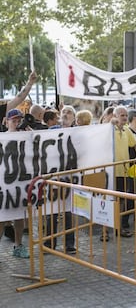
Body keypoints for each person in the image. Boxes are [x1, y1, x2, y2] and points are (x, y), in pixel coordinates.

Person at [0, 109, 34, 258]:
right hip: (5, 183)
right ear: (6, 121)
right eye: (13, 120)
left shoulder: (26, 136)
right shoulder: (2, 137)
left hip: (20, 182)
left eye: (18, 120)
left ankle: (18, 245)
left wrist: (32, 133)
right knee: (2, 218)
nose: (16, 123)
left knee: (19, 216)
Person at [44, 105, 77, 254]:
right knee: (52, 211)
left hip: (72, 177)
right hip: (55, 176)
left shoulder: (80, 132)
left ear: (74, 117)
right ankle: (49, 243)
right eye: (64, 112)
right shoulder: (52, 131)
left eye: (69, 112)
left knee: (69, 211)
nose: (65, 114)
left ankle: (69, 244)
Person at [112, 106, 136, 238]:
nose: (124, 117)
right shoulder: (108, 130)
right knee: (111, 201)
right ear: (115, 116)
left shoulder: (126, 130)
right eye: (121, 115)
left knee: (123, 199)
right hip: (111, 172)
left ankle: (120, 226)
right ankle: (110, 228)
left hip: (124, 171)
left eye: (125, 115)